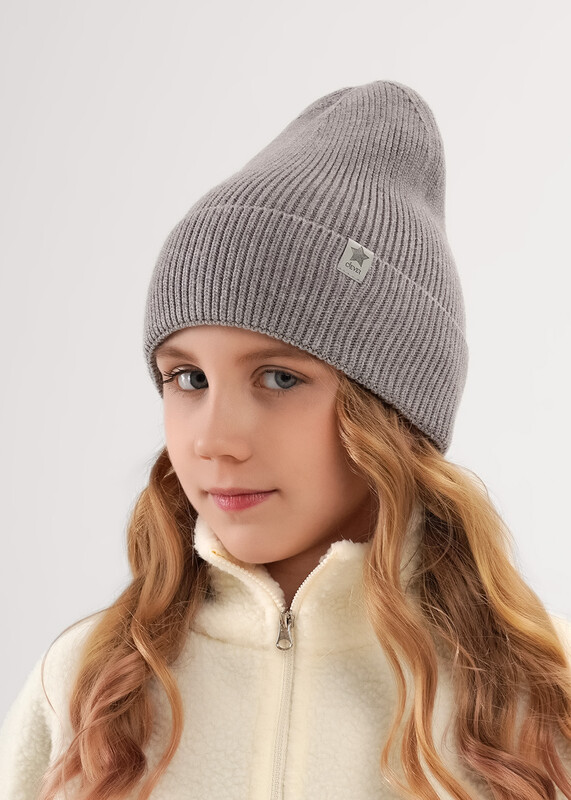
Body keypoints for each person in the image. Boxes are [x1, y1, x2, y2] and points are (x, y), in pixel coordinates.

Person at [1, 79, 570, 800]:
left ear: (391, 409)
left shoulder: (535, 695)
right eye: (187, 378)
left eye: (277, 378)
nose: (214, 441)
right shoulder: (87, 686)